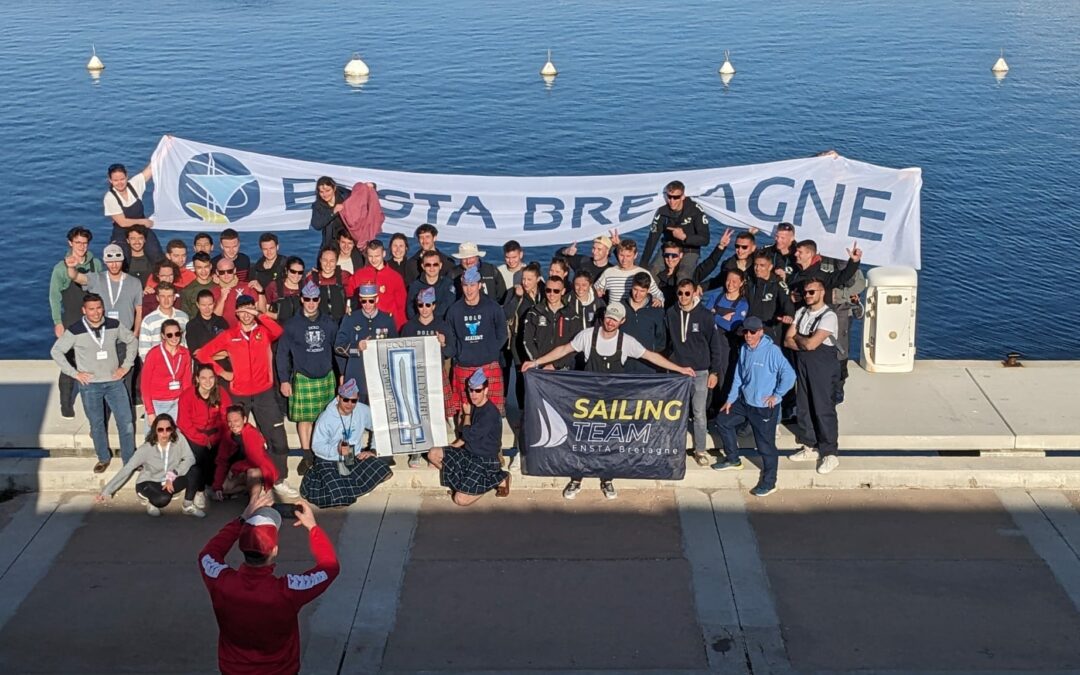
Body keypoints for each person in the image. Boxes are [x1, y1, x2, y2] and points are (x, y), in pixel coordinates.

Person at [521, 303, 695, 500]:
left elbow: (651, 356)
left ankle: (607, 479)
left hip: (612, 403)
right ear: (604, 317)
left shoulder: (627, 341)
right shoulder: (587, 335)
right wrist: (536, 363)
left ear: (622, 321)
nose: (610, 322)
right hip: (587, 400)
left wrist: (679, 370)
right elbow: (563, 350)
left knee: (609, 440)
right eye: (608, 317)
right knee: (582, 438)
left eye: (615, 319)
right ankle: (577, 478)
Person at [198, 490, 339, 675]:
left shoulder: (221, 581)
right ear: (274, 550)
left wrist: (242, 519)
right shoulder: (287, 591)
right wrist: (313, 527)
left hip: (232, 669)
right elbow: (330, 567)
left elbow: (208, 554)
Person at [196, 296, 299, 498]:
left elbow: (279, 331)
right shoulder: (229, 335)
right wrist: (223, 373)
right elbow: (203, 355)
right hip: (239, 395)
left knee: (277, 437)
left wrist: (259, 314)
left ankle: (278, 479)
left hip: (264, 393)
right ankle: (227, 481)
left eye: (249, 310)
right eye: (242, 311)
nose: (246, 315)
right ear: (235, 313)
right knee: (232, 439)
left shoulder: (263, 331)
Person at [50, 293, 136, 473]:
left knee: (126, 422)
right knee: (96, 424)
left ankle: (130, 460)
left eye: (98, 308)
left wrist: (126, 366)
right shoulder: (75, 330)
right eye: (91, 309)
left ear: (102, 308)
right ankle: (103, 458)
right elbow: (56, 351)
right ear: (84, 310)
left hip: (114, 381)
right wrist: (75, 373)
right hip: (90, 386)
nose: (96, 313)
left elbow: (131, 340)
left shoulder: (113, 324)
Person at [713, 316, 796, 497]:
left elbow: (789, 375)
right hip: (744, 402)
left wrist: (777, 395)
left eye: (752, 332)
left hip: (764, 407)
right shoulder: (744, 349)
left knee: (765, 446)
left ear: (760, 332)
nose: (748, 335)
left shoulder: (772, 351)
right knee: (723, 421)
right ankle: (733, 459)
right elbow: (738, 376)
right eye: (745, 332)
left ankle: (769, 482)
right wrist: (730, 399)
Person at [277, 280, 339, 474]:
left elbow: (337, 351)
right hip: (303, 376)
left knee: (327, 418)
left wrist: (342, 375)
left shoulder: (329, 323)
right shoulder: (291, 325)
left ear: (319, 300)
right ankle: (307, 456)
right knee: (304, 420)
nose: (311, 303)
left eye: (314, 299)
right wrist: (284, 380)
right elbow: (282, 354)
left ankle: (324, 454)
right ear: (301, 299)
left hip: (326, 376)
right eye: (307, 299)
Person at [300, 379, 393, 507]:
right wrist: (336, 450)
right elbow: (317, 446)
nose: (350, 404)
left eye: (354, 400)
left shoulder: (362, 410)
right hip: (329, 459)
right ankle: (326, 480)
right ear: (338, 398)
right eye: (346, 400)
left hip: (352, 456)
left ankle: (348, 488)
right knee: (340, 500)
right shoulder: (326, 418)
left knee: (384, 471)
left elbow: (380, 426)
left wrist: (372, 450)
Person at [427, 370, 511, 506]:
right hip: (469, 454)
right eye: (470, 390)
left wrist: (466, 415)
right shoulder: (476, 407)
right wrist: (450, 448)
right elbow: (466, 438)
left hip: (485, 460)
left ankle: (499, 478)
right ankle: (466, 484)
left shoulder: (489, 414)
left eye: (477, 391)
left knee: (460, 500)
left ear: (486, 390)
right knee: (433, 454)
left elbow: (467, 435)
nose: (473, 394)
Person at [96, 413, 205, 517]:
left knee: (195, 471)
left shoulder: (179, 439)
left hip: (169, 479)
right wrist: (107, 490)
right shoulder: (146, 448)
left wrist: (174, 473)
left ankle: (187, 505)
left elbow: (190, 458)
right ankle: (148, 499)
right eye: (160, 430)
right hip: (149, 481)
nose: (165, 433)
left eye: (168, 429)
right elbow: (128, 468)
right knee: (163, 500)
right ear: (155, 431)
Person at [784, 279, 842, 474]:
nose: (808, 295)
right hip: (803, 364)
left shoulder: (829, 316)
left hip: (822, 366)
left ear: (821, 292)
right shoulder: (801, 312)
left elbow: (811, 345)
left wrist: (799, 339)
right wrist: (803, 340)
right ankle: (809, 444)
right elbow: (787, 340)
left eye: (812, 292)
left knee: (823, 407)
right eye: (806, 292)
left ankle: (829, 452)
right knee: (804, 404)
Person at [666, 279, 726, 466]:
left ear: (694, 294)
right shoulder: (670, 313)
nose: (683, 297)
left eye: (687, 293)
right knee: (677, 413)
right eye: (680, 293)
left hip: (700, 372)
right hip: (677, 372)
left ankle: (700, 450)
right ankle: (675, 447)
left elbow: (714, 345)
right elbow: (666, 341)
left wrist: (714, 371)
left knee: (699, 413)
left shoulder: (706, 316)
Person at [50, 227, 103, 418]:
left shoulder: (96, 264)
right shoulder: (60, 268)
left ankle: (97, 401)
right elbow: (54, 297)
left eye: (85, 243)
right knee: (68, 363)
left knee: (95, 360)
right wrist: (58, 322)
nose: (81, 246)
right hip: (71, 319)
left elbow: (101, 290)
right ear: (70, 243)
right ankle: (66, 403)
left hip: (94, 319)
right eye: (78, 242)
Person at [400, 287, 456, 468]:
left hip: (435, 375)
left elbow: (451, 352)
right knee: (415, 414)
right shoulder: (409, 327)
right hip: (414, 375)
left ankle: (435, 449)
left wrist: (443, 342)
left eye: (428, 305)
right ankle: (416, 451)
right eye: (421, 305)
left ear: (434, 306)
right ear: (417, 306)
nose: (424, 308)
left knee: (436, 414)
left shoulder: (443, 325)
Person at [446, 266, 508, 419]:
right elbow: (451, 338)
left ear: (480, 285)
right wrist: (460, 353)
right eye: (466, 285)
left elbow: (503, 334)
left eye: (473, 285)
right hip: (464, 366)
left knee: (493, 414)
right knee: (465, 413)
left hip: (488, 365)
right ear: (462, 286)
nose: (469, 290)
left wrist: (490, 351)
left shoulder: (493, 307)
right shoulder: (454, 311)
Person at [334, 284, 398, 404]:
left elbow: (395, 346)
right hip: (357, 376)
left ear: (377, 299)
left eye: (371, 301)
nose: (367, 305)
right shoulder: (350, 319)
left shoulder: (387, 319)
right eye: (364, 301)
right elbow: (338, 346)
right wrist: (356, 348)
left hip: (379, 377)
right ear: (359, 300)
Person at [178, 363, 232, 503]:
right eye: (203, 378)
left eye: (211, 378)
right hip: (194, 435)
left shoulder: (221, 392)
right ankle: (199, 490)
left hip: (216, 434)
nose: (208, 381)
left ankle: (213, 486)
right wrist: (202, 439)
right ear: (197, 379)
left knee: (223, 452)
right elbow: (184, 423)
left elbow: (226, 417)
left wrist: (215, 437)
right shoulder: (187, 395)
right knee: (201, 456)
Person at [210, 404, 280, 500]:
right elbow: (221, 461)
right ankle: (248, 490)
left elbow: (256, 461)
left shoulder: (252, 433)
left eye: (236, 421)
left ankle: (253, 502)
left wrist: (236, 467)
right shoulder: (228, 436)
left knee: (253, 473)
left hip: (258, 470)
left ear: (245, 419)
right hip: (240, 473)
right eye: (229, 421)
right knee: (221, 490)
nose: (233, 425)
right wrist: (217, 486)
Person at [642, 180, 710, 274]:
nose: (672, 201)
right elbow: (652, 240)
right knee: (653, 271)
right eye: (669, 197)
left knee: (683, 274)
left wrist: (685, 237)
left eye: (676, 197)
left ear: (682, 196)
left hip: (689, 249)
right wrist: (642, 266)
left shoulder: (695, 210)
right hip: (669, 248)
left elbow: (705, 239)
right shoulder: (662, 212)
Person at [104, 162, 163, 261]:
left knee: (155, 253)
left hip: (141, 229)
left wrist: (165, 148)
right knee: (121, 257)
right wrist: (143, 222)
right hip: (122, 231)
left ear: (127, 176)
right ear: (110, 180)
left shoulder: (134, 185)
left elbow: (150, 168)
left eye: (122, 179)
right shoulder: (109, 198)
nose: (120, 183)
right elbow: (122, 222)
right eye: (115, 180)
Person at [140, 318, 192, 430]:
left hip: (177, 403)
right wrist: (150, 412)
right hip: (157, 403)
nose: (174, 337)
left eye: (177, 334)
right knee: (153, 442)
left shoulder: (185, 353)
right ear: (163, 336)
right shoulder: (154, 354)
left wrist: (186, 406)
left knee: (175, 440)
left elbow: (187, 382)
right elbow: (145, 385)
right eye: (169, 335)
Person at [347, 239, 407, 329]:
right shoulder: (359, 275)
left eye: (377, 256)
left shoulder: (395, 277)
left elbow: (401, 307)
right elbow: (349, 296)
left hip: (388, 326)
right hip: (365, 325)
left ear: (384, 254)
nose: (373, 260)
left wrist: (401, 329)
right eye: (370, 256)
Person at [620, 272, 667, 374]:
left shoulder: (656, 310)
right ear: (631, 287)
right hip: (622, 365)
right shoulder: (621, 307)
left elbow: (661, 339)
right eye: (635, 289)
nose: (637, 294)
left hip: (647, 365)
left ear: (648, 290)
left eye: (642, 291)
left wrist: (652, 353)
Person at [593, 239, 664, 306]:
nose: (624, 260)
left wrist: (659, 300)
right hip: (614, 315)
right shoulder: (609, 272)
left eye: (628, 256)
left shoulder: (643, 273)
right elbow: (592, 291)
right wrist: (597, 292)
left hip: (635, 315)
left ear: (635, 255)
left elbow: (658, 294)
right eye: (621, 255)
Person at [747, 252, 796, 346]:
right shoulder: (750, 283)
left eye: (762, 265)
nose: (757, 268)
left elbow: (787, 303)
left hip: (769, 331)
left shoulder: (778, 285)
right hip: (749, 329)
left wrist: (789, 315)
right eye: (756, 265)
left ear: (770, 267)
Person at [138, 282, 189, 359]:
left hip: (179, 364)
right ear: (157, 298)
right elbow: (144, 351)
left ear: (174, 297)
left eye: (169, 296)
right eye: (162, 296)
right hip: (158, 366)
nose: (166, 300)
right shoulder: (148, 321)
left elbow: (186, 344)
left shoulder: (183, 317)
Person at [211, 257, 264, 328]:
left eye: (229, 271)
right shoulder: (214, 291)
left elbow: (262, 311)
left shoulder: (248, 286)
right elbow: (215, 319)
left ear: (234, 270)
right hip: (225, 333)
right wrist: (222, 298)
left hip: (247, 331)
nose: (226, 275)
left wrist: (261, 292)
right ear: (217, 272)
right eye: (222, 272)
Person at [405, 249, 456, 320]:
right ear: (423, 266)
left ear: (440, 265)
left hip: (443, 326)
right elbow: (410, 310)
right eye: (428, 265)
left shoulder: (448, 284)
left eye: (435, 264)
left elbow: (450, 308)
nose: (432, 268)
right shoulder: (415, 286)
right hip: (420, 326)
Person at [305, 247, 351, 322]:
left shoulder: (345, 276)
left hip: (341, 322)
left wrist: (349, 306)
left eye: (332, 261)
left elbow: (353, 297)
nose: (328, 264)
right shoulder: (312, 278)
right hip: (320, 323)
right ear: (320, 260)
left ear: (337, 261)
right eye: (325, 260)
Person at [311, 176, 351, 251]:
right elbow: (316, 225)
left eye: (328, 190)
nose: (325, 195)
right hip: (330, 243)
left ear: (334, 188)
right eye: (321, 192)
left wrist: (369, 186)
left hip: (348, 241)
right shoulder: (318, 205)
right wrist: (333, 212)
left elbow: (360, 194)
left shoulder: (345, 196)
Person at [265, 256, 307, 325]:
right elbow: (265, 310)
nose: (296, 275)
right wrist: (280, 316)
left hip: (300, 327)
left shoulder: (305, 287)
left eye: (300, 272)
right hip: (279, 328)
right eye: (293, 271)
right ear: (286, 270)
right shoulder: (274, 286)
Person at [186, 289, 229, 356]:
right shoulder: (192, 325)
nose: (207, 308)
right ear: (197, 305)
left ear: (214, 304)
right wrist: (219, 353)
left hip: (222, 365)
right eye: (203, 305)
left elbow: (229, 349)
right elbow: (196, 353)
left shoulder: (221, 321)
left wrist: (206, 352)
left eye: (210, 304)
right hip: (203, 365)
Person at [180, 252, 216, 316]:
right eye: (199, 267)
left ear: (210, 266)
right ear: (194, 268)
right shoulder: (187, 291)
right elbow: (185, 315)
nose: (203, 271)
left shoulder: (218, 285)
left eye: (206, 267)